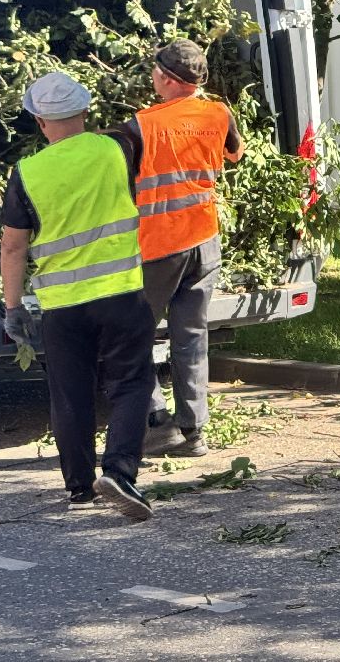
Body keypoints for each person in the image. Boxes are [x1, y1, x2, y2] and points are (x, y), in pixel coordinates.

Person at [0, 72, 155, 521]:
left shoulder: (26, 172)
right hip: (121, 295)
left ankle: (80, 489)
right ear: (86, 111)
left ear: (38, 121)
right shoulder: (116, 150)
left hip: (61, 306)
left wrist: (13, 308)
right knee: (131, 383)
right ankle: (120, 472)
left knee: (69, 393)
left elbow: (13, 245)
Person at [126, 41, 242, 457]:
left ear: (168, 79)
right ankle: (194, 433)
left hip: (160, 245)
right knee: (191, 337)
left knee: (131, 336)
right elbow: (235, 153)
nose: (152, 77)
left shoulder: (142, 125)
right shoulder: (219, 112)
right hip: (205, 239)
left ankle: (157, 422)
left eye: (155, 71)